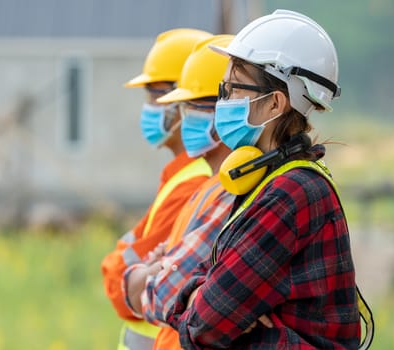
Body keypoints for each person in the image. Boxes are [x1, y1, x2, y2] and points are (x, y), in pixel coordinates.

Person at [166, 10, 369, 349]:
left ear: (275, 103)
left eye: (232, 88)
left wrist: (212, 307)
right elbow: (203, 303)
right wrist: (206, 300)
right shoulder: (267, 181)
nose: (223, 101)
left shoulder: (290, 194)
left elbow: (203, 326)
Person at [122, 34, 237, 350]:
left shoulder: (218, 187)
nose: (155, 108)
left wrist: (154, 270)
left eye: (192, 106)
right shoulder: (206, 184)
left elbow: (153, 289)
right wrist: (158, 270)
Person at [100, 28, 213, 350]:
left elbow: (120, 287)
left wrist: (123, 269)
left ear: (182, 101)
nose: (148, 107)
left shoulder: (194, 183)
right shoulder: (179, 176)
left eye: (154, 94)